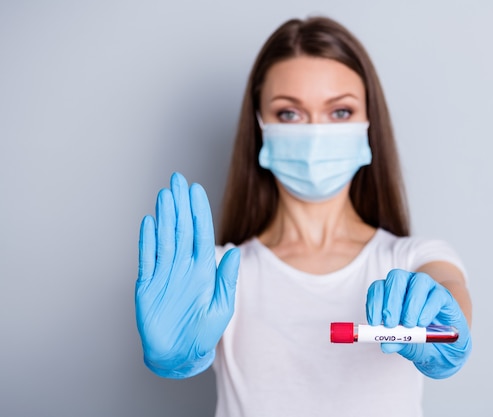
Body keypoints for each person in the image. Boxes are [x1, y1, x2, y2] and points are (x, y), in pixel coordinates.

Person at [135, 16, 472, 417]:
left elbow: (450, 299)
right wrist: (174, 359)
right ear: (260, 126)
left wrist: (443, 334)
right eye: (290, 114)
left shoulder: (416, 259)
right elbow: (184, 331)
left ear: (369, 124)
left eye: (341, 112)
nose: (315, 132)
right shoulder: (217, 275)